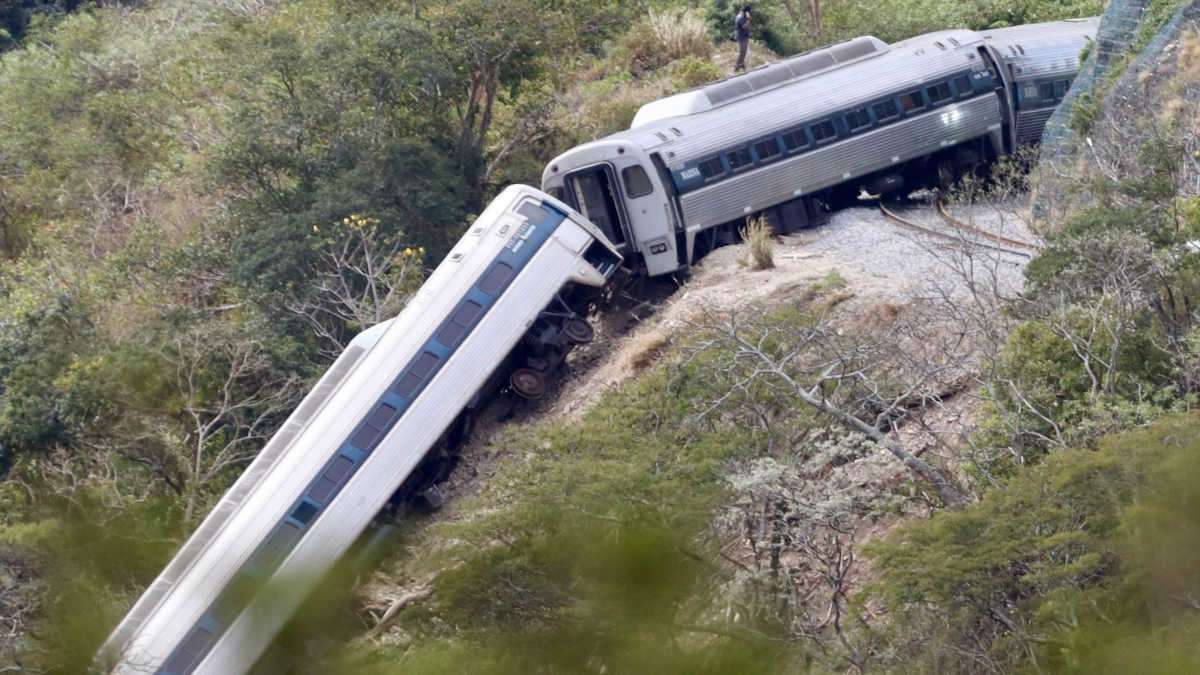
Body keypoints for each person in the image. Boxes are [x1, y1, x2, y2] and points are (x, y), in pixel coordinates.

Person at [734, 5, 752, 72]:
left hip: (745, 36)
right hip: (741, 37)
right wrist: (749, 19)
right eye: (749, 12)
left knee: (744, 52)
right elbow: (744, 27)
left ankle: (741, 64)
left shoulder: (744, 17)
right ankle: (737, 66)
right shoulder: (740, 18)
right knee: (742, 52)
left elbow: (747, 27)